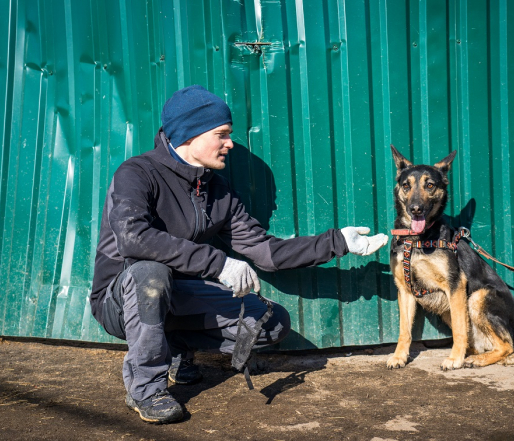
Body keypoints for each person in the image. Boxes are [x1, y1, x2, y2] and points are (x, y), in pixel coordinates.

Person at [90, 85, 388, 424]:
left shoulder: (215, 190)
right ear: (190, 134)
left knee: (270, 323)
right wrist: (218, 263)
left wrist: (338, 242)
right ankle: (146, 389)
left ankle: (172, 347)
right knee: (151, 274)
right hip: (121, 299)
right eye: (222, 134)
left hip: (179, 298)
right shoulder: (137, 173)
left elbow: (266, 252)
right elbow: (133, 238)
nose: (229, 143)